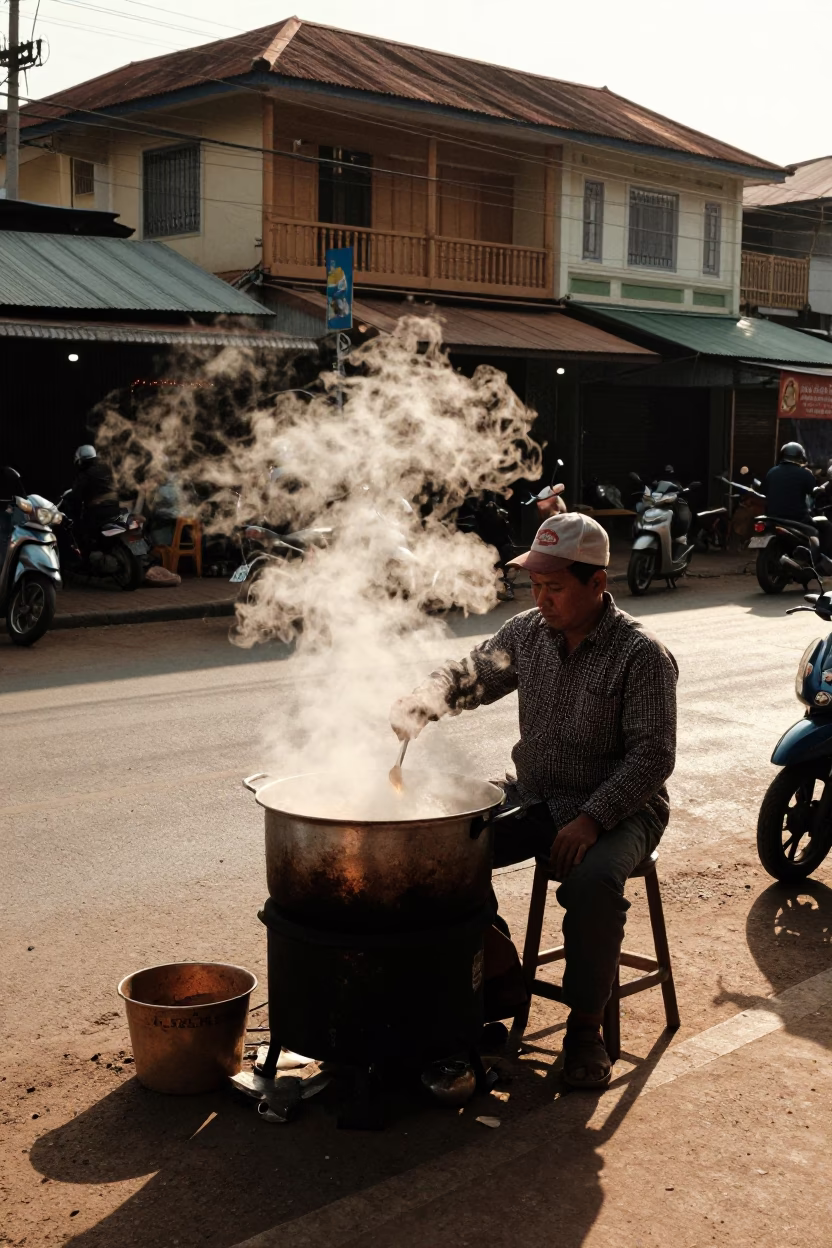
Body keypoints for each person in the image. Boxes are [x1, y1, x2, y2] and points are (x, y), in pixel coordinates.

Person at [390, 511, 678, 1091]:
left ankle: (585, 1031)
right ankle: (493, 984)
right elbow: (472, 674)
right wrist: (424, 700)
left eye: (554, 588)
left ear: (596, 584)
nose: (541, 599)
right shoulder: (527, 633)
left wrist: (593, 819)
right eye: (534, 587)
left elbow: (652, 758)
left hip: (623, 807)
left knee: (592, 884)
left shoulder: (641, 655)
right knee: (445, 850)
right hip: (537, 794)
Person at [63, 445, 119, 547]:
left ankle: (90, 555)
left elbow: (76, 495)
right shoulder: (106, 469)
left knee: (84, 534)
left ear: (80, 461)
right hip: (116, 509)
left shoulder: (85, 475)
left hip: (99, 514)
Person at [763, 443, 816, 524]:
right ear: (800, 458)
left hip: (772, 519)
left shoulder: (771, 472)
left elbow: (764, 491)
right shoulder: (805, 473)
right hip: (798, 519)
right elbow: (812, 491)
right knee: (824, 527)